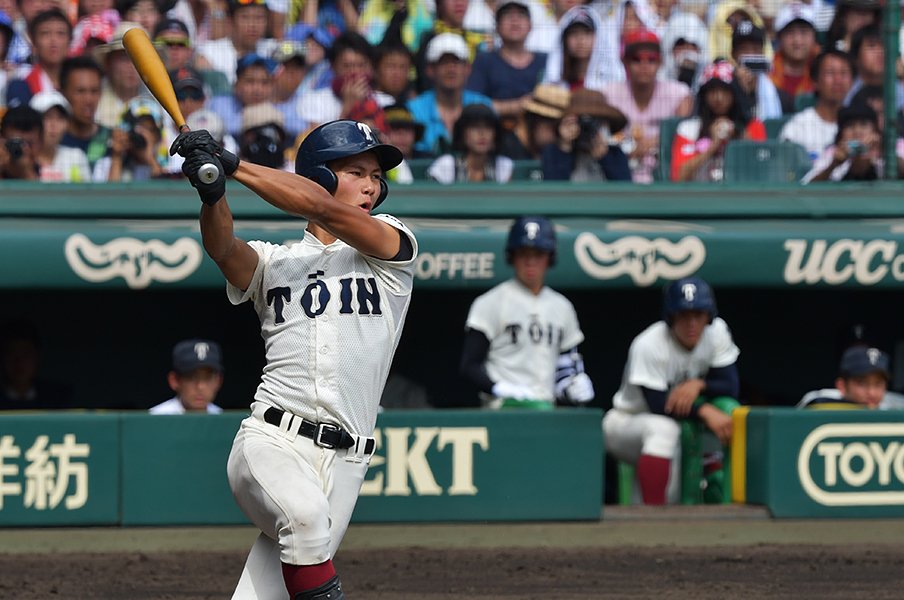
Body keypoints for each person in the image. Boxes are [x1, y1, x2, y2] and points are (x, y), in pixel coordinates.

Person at [168, 117, 417, 599]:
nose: (371, 185)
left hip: (347, 461)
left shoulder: (391, 242)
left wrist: (232, 164)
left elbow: (323, 207)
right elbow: (223, 248)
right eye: (356, 172)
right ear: (318, 175)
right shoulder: (274, 261)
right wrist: (213, 194)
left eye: (375, 176)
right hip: (273, 439)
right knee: (304, 520)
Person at [603, 276, 740, 505]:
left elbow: (731, 386)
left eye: (698, 314)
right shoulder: (649, 343)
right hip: (626, 423)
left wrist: (699, 384)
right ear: (671, 316)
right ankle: (655, 516)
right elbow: (658, 405)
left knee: (672, 456)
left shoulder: (716, 332)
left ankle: (648, 513)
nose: (692, 323)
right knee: (664, 429)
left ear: (708, 316)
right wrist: (704, 410)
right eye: (684, 315)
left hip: (672, 433)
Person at [459, 215, 594, 410]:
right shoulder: (490, 302)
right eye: (523, 253)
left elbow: (566, 367)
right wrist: (498, 388)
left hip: (546, 409)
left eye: (538, 254)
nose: (530, 262)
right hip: (501, 408)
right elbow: (469, 366)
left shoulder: (562, 306)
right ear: (512, 256)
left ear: (549, 257)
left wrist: (572, 387)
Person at [602, 28, 693, 183]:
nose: (644, 65)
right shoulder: (609, 93)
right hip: (619, 175)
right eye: (636, 59)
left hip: (663, 176)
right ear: (625, 62)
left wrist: (649, 143)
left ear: (660, 62)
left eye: (651, 59)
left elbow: (684, 133)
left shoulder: (678, 92)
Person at [671, 60, 766, 183]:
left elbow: (762, 169)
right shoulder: (688, 128)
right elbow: (678, 177)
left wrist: (740, 139)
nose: (718, 98)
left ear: (735, 93)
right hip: (700, 192)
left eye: (724, 90)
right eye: (712, 91)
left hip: (742, 192)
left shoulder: (753, 126)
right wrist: (714, 145)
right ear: (704, 95)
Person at [406, 32, 493, 156]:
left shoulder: (484, 106)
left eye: (457, 62)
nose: (451, 69)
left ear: (468, 69)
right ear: (430, 70)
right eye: (444, 62)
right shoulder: (413, 110)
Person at [465, 0, 546, 123]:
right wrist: (518, 106)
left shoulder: (545, 61)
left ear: (530, 26)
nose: (515, 21)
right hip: (493, 130)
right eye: (508, 16)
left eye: (521, 15)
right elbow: (472, 103)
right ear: (497, 27)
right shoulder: (484, 60)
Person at [541, 87, 633, 182]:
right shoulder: (553, 152)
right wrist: (565, 147)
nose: (587, 128)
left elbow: (624, 186)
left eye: (595, 122)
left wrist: (605, 157)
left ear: (606, 125)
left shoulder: (615, 154)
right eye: (582, 122)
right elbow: (553, 186)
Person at [779, 50, 854, 163]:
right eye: (830, 73)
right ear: (815, 81)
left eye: (843, 73)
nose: (838, 80)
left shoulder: (859, 125)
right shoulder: (798, 127)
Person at [426, 102, 513, 183]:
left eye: (488, 127)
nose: (482, 134)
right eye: (474, 127)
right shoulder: (446, 165)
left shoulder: (503, 166)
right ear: (462, 133)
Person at [797, 345, 904, 410]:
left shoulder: (896, 407)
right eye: (862, 383)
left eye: (878, 384)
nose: (871, 393)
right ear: (842, 386)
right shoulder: (819, 403)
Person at [0, 317, 72, 410]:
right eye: (12, 353)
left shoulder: (59, 398)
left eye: (26, 354)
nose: (19, 361)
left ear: (38, 356)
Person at [801, 103, 884, 183]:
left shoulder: (885, 152)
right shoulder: (831, 155)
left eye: (863, 125)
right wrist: (833, 164)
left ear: (874, 130)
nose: (857, 131)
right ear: (841, 134)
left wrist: (880, 152)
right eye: (850, 126)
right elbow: (806, 187)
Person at [29, 89, 91, 182]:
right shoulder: (24, 159)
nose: (54, 125)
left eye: (60, 118)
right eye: (47, 117)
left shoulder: (76, 157)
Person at [768, 2, 819, 113]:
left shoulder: (824, 71)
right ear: (779, 38)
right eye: (790, 33)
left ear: (814, 37)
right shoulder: (767, 71)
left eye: (804, 32)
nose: (797, 41)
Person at [150, 339, 225, 414]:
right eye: (191, 377)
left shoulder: (224, 418)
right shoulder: (156, 417)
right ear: (174, 380)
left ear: (218, 381)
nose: (200, 387)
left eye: (207, 378)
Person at [0, 104, 42, 179]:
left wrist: (26, 173)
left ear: (40, 142)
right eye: (14, 143)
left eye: (29, 143)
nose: (23, 149)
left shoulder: (51, 171)